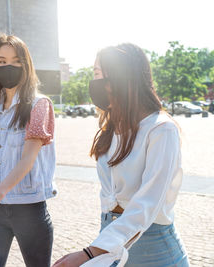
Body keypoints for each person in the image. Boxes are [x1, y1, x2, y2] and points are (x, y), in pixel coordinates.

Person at [53, 44, 189, 267]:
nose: (94, 82)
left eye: (98, 74)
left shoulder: (161, 130)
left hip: (155, 251)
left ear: (123, 78)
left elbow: (147, 203)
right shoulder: (112, 125)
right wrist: (100, 248)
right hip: (111, 245)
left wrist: (89, 252)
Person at [0, 34, 57, 267]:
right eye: (2, 60)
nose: (9, 66)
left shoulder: (39, 104)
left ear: (26, 65)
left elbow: (27, 159)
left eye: (16, 60)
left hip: (28, 208)